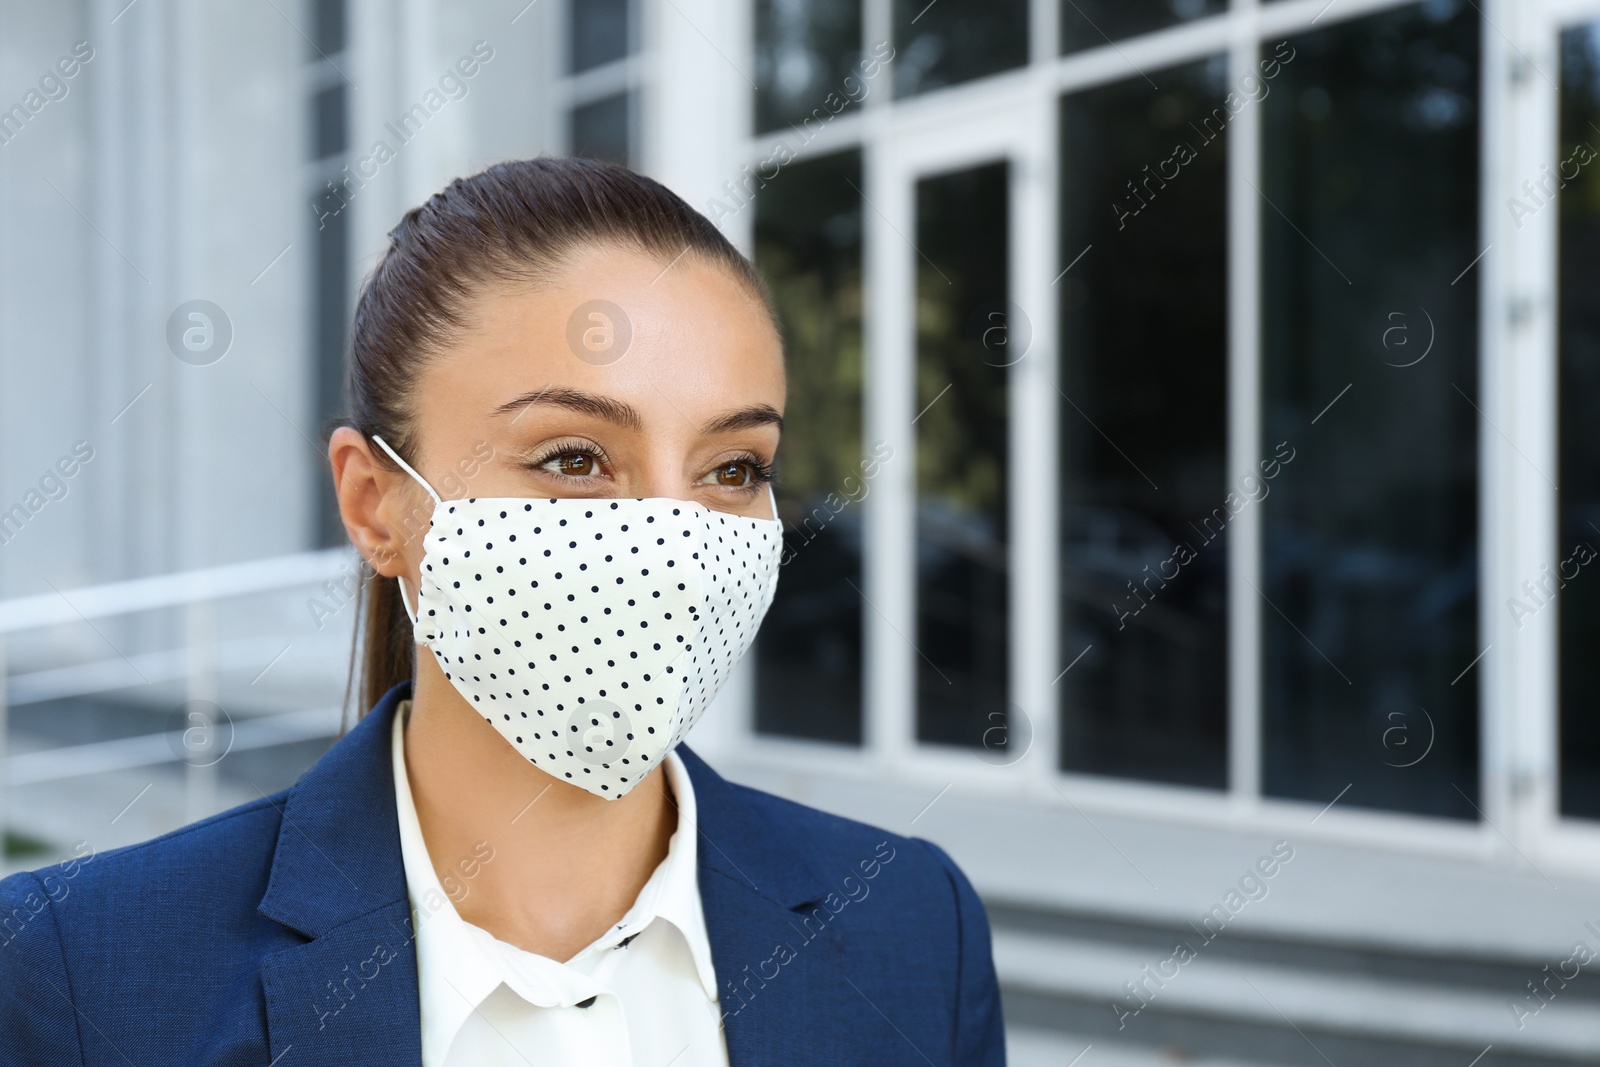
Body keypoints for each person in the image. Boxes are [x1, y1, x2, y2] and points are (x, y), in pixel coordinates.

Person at [0, 156, 1005, 1065]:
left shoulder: (915, 927)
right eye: (574, 459)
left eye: (731, 468)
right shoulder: (80, 972)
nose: (668, 544)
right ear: (373, 502)